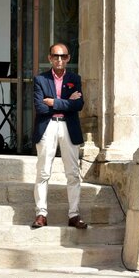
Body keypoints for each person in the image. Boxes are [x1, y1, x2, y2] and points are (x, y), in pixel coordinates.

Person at [31, 42, 88, 230]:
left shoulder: (74, 79)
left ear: (68, 58)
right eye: (56, 56)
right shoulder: (40, 79)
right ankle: (41, 214)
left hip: (68, 127)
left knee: (72, 173)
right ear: (50, 58)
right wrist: (66, 102)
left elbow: (78, 105)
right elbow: (40, 107)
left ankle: (74, 214)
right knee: (43, 172)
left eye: (63, 56)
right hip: (47, 127)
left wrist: (53, 102)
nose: (59, 59)